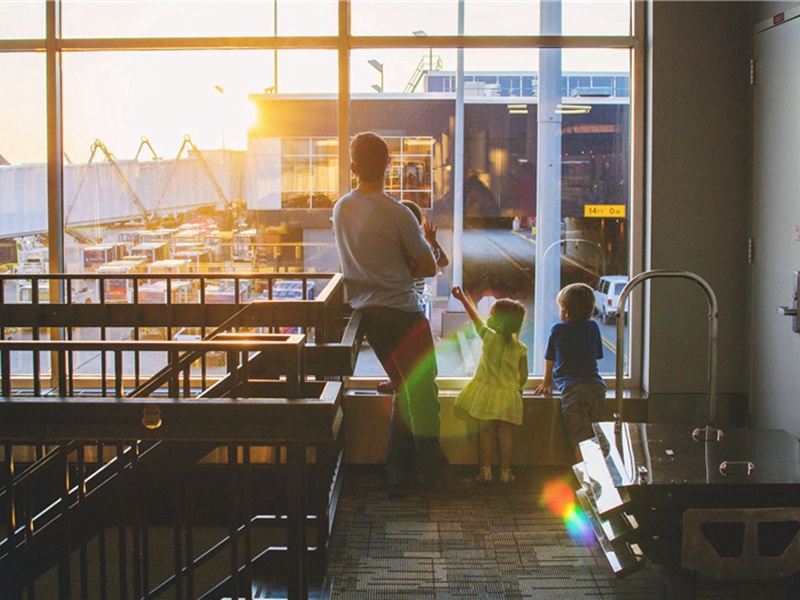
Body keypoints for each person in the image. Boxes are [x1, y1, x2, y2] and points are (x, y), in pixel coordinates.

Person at [332, 131, 474, 499]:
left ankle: (398, 472)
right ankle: (433, 472)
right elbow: (428, 268)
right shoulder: (397, 213)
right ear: (389, 166)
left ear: (352, 168)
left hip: (367, 313)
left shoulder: (341, 209)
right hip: (402, 312)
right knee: (423, 394)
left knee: (404, 390)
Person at [451, 285, 528, 484]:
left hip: (487, 394)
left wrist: (462, 299)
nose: (488, 316)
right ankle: (505, 472)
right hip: (508, 396)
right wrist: (516, 387)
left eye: (492, 313)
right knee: (505, 435)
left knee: (485, 435)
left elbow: (473, 317)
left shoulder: (488, 337)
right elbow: (524, 376)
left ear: (498, 322)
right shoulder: (520, 349)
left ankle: (485, 471)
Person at [376, 200, 449, 395]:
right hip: (414, 309)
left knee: (400, 356)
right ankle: (406, 388)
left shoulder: (394, 249)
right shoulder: (422, 249)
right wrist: (432, 241)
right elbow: (443, 261)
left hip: (400, 307)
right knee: (420, 361)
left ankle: (398, 385)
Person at [533, 283, 606, 460]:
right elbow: (597, 355)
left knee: (580, 440)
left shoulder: (558, 330)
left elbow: (550, 358)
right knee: (596, 437)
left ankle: (585, 482)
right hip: (597, 387)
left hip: (573, 390)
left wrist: (546, 382)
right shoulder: (593, 328)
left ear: (566, 312)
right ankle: (598, 478)